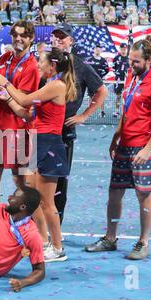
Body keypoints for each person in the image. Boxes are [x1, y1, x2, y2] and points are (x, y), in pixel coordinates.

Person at [0, 48, 78, 262]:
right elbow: (25, 113)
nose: (38, 65)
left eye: (41, 62)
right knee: (35, 199)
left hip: (49, 145)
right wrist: (6, 97)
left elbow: (24, 99)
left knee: (47, 203)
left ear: (53, 66)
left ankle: (58, 248)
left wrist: (6, 83)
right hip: (39, 143)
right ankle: (45, 240)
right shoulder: (49, 86)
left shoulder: (57, 86)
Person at [85, 39, 151, 260]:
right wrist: (115, 138)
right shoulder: (131, 77)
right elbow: (126, 110)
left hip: (143, 147)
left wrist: (149, 149)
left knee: (144, 195)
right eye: (130, 60)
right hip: (124, 145)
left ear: (149, 60)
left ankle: (143, 242)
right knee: (114, 193)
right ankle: (110, 238)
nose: (131, 64)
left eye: (136, 61)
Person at [50, 23, 108, 225]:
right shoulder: (45, 63)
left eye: (62, 37)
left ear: (71, 41)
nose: (57, 40)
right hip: (42, 130)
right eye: (54, 36)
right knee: (38, 180)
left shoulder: (80, 65)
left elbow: (102, 91)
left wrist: (83, 116)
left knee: (59, 182)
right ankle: (37, 227)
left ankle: (55, 229)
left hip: (64, 132)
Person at [0, 20, 40, 206]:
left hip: (20, 129)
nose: (18, 39)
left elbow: (23, 100)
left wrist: (4, 86)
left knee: (21, 181)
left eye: (23, 35)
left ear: (31, 38)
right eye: (15, 35)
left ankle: (24, 224)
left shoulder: (32, 66)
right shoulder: (4, 58)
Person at [87, 44, 109, 117]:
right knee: (91, 96)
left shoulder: (103, 60)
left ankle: (102, 111)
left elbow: (107, 70)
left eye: (99, 49)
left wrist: (101, 76)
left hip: (100, 82)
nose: (97, 50)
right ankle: (89, 111)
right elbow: (87, 70)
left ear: (101, 50)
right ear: (94, 50)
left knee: (101, 96)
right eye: (96, 48)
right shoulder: (90, 60)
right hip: (91, 82)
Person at [113, 43, 130, 117]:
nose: (123, 50)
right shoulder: (116, 58)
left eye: (125, 49)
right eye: (122, 49)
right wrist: (118, 74)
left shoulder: (129, 58)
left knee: (127, 96)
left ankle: (127, 111)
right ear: (120, 49)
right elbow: (114, 68)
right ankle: (116, 111)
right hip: (119, 79)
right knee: (118, 95)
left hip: (127, 80)